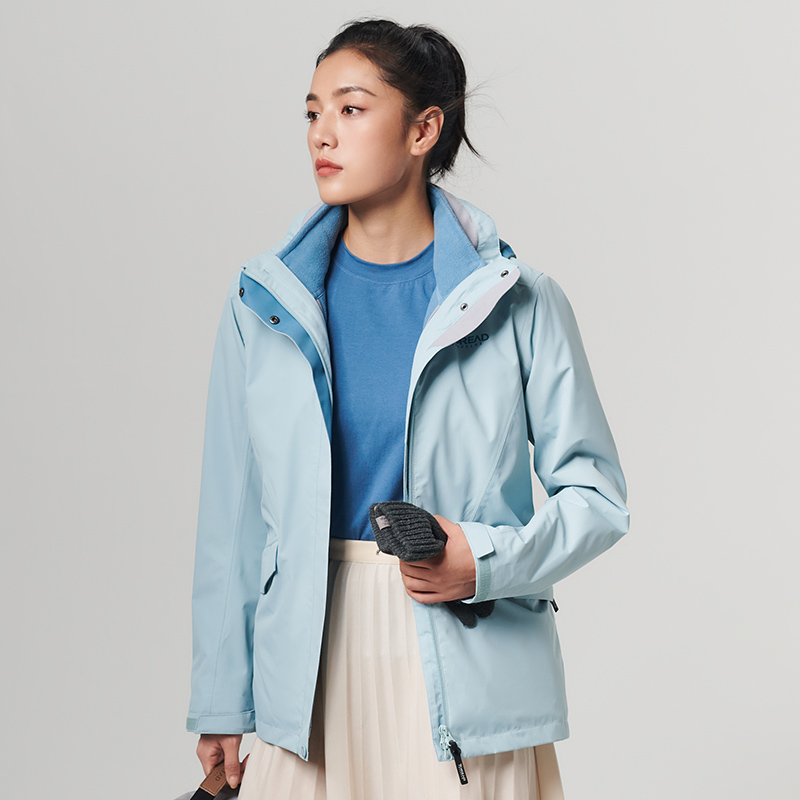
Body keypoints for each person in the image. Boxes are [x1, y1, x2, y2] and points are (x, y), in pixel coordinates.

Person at [185, 17, 629, 800]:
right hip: (306, 671)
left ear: (424, 130)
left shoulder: (519, 300)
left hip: (469, 664)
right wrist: (223, 699)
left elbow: (597, 498)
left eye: (351, 109)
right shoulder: (262, 303)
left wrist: (482, 561)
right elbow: (234, 517)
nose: (323, 133)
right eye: (313, 112)